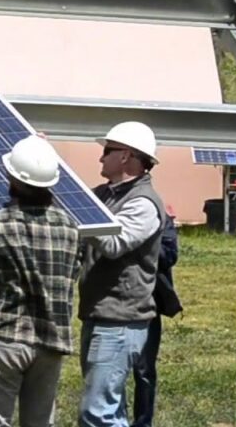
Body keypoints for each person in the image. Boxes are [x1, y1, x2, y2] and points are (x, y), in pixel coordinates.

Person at [0, 135, 81, 427]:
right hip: (52, 340)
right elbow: (73, 273)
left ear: (11, 178)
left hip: (7, 337)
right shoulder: (71, 227)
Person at [78, 121, 168, 427]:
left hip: (119, 320)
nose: (100, 158)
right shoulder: (106, 194)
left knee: (97, 412)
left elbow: (115, 243)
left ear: (126, 156)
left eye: (107, 151)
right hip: (101, 314)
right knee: (109, 409)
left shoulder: (143, 203)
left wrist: (86, 216)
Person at [131, 208, 182, 427]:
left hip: (147, 302)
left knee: (144, 369)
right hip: (111, 303)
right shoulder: (106, 206)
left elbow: (169, 255)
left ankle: (143, 422)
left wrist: (137, 242)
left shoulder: (159, 216)